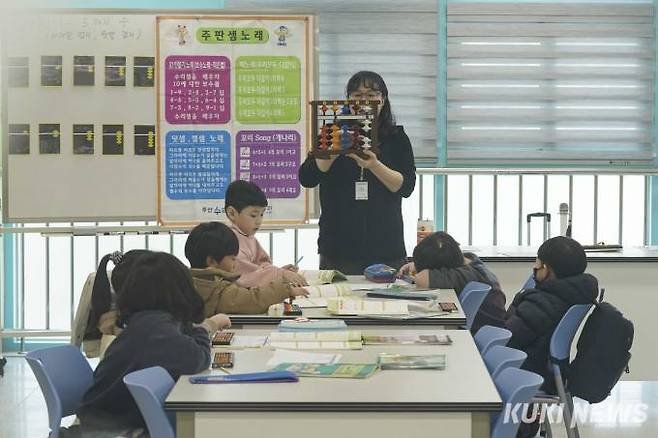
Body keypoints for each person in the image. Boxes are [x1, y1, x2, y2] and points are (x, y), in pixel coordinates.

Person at [76, 251, 231, 437]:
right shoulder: (155, 328)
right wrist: (203, 327)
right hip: (112, 430)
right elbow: (198, 358)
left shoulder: (148, 322)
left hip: (110, 421)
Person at [298, 71, 416, 274]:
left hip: (386, 244)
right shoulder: (332, 132)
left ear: (383, 99)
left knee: (387, 302)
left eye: (371, 95)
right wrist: (332, 152)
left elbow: (406, 187)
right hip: (338, 245)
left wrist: (374, 166)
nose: (364, 101)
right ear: (348, 100)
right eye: (357, 95)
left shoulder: (396, 137)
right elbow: (307, 178)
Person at [185, 221, 309, 315]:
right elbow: (253, 300)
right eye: (233, 258)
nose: (235, 264)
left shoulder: (189, 281)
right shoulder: (216, 289)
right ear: (212, 261)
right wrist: (286, 290)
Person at [399, 231, 506, 333]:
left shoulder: (467, 275)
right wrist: (417, 264)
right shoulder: (468, 260)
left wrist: (419, 268)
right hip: (480, 329)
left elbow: (422, 279)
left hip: (477, 336)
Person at [224, 180, 307, 287]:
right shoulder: (229, 240)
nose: (259, 221)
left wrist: (280, 272)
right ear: (231, 213)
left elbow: (259, 269)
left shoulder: (248, 237)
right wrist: (279, 274)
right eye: (253, 215)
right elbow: (244, 277)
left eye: (262, 214)